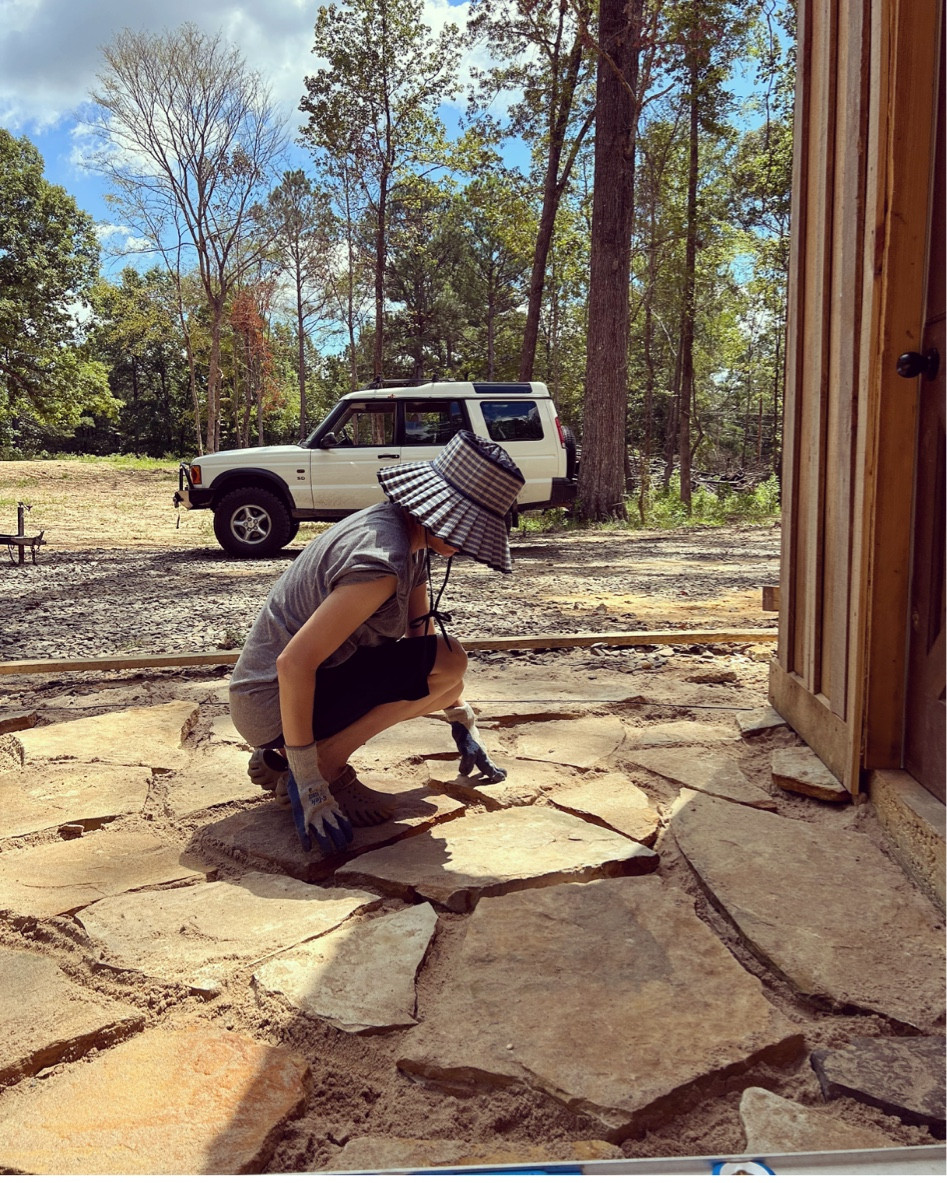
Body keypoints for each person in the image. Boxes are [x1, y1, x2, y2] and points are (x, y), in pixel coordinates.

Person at [229, 430, 525, 857]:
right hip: (270, 700)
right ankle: (317, 765)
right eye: (467, 528)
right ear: (439, 509)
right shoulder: (381, 561)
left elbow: (420, 647)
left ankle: (279, 759)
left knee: (449, 671)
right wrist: (311, 778)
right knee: (448, 668)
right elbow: (294, 663)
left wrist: (460, 716)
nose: (465, 545)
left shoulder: (410, 538)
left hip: (297, 690)